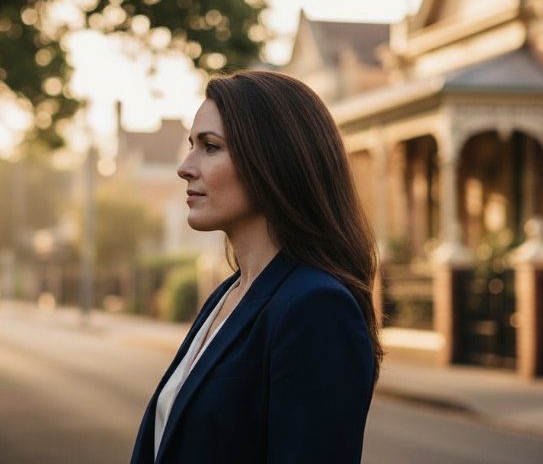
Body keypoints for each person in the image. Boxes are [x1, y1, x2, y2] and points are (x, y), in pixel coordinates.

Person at [130, 70, 382, 464]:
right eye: (191, 145)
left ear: (272, 160)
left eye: (210, 147)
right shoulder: (227, 295)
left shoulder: (316, 308)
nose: (185, 166)